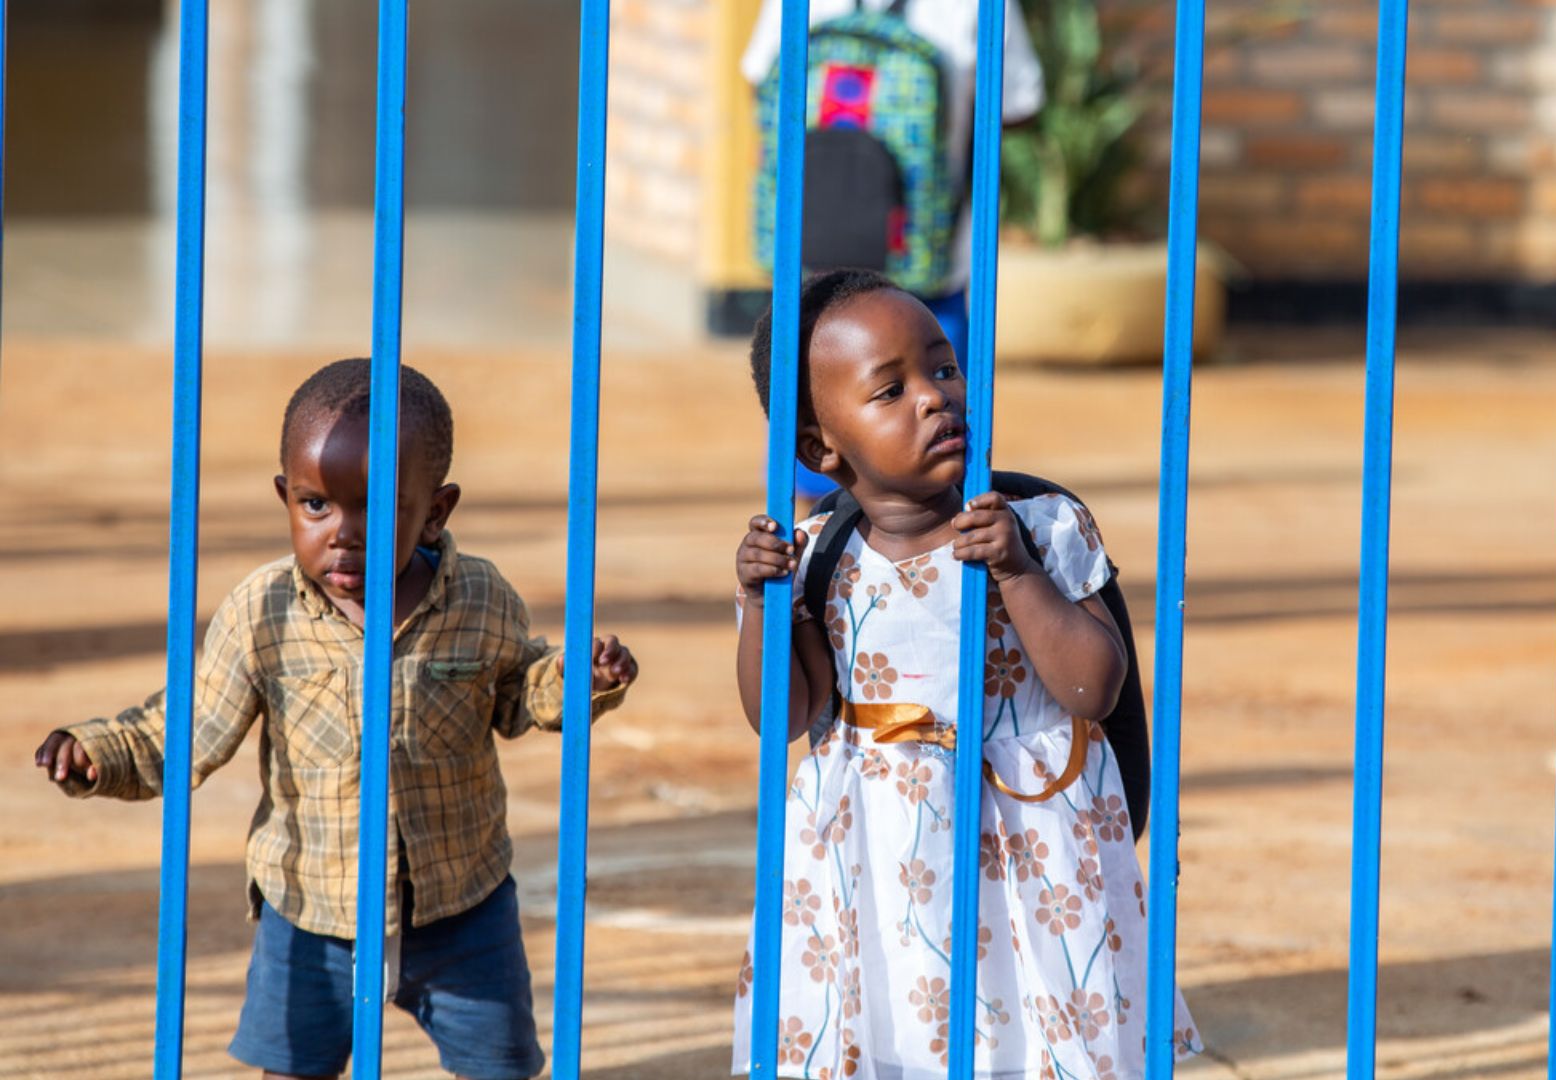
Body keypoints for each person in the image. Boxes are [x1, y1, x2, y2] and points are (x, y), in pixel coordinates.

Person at [32, 359, 638, 1080]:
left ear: (436, 511)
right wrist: (99, 751)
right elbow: (188, 724)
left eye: (377, 507)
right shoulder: (264, 612)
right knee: (292, 1070)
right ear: (286, 497)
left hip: (461, 906)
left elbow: (517, 693)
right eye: (316, 506)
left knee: (501, 1067)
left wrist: (581, 681)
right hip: (310, 909)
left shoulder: (480, 597)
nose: (343, 534)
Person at [731, 269, 1200, 1076]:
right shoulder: (813, 560)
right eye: (891, 391)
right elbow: (784, 713)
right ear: (819, 447)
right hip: (880, 849)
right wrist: (764, 603)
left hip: (1035, 844)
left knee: (1038, 1029)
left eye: (943, 369)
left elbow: (1096, 686)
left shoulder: (1039, 526)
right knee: (901, 1030)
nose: (934, 398)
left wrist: (1018, 574)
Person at [742, 0, 1044, 499]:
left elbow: (759, 79)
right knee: (938, 442)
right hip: (928, 257)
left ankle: (815, 560)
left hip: (815, 245)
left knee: (815, 434)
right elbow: (1019, 107)